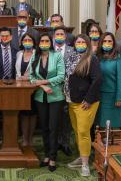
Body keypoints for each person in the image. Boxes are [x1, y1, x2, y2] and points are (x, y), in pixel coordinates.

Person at [64, 34, 101, 177]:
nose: (80, 44)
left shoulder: (92, 59)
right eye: (77, 42)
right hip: (71, 100)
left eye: (82, 42)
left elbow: (97, 80)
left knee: (84, 131)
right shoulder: (71, 57)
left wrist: (89, 99)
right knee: (77, 131)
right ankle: (82, 156)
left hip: (86, 102)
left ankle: (85, 164)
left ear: (87, 44)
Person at [29, 33, 65, 172]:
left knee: (53, 127)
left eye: (47, 41)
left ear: (50, 42)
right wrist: (42, 86)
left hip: (55, 96)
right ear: (38, 43)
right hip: (40, 97)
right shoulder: (35, 56)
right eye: (42, 41)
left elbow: (61, 76)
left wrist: (45, 82)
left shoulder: (57, 56)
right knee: (44, 127)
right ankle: (46, 155)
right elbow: (32, 77)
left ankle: (53, 157)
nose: (44, 43)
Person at [0, 27, 18, 146]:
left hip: (13, 88)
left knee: (12, 113)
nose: (4, 38)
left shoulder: (17, 51)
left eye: (7, 36)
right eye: (2, 36)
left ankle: (11, 139)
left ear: (11, 37)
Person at [53, 26, 74, 156]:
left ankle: (65, 143)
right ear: (54, 37)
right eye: (57, 34)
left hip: (68, 89)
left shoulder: (72, 51)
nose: (59, 36)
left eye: (62, 34)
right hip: (53, 89)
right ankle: (54, 143)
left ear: (65, 36)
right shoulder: (49, 51)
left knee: (66, 118)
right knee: (54, 118)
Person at [16, 33, 37, 147]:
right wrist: (19, 79)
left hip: (33, 88)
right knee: (23, 114)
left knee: (33, 114)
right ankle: (24, 139)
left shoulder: (36, 54)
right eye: (25, 40)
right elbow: (16, 71)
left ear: (33, 42)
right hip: (21, 89)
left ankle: (31, 138)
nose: (27, 42)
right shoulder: (19, 54)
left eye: (30, 40)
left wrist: (28, 78)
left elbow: (39, 72)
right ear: (22, 42)